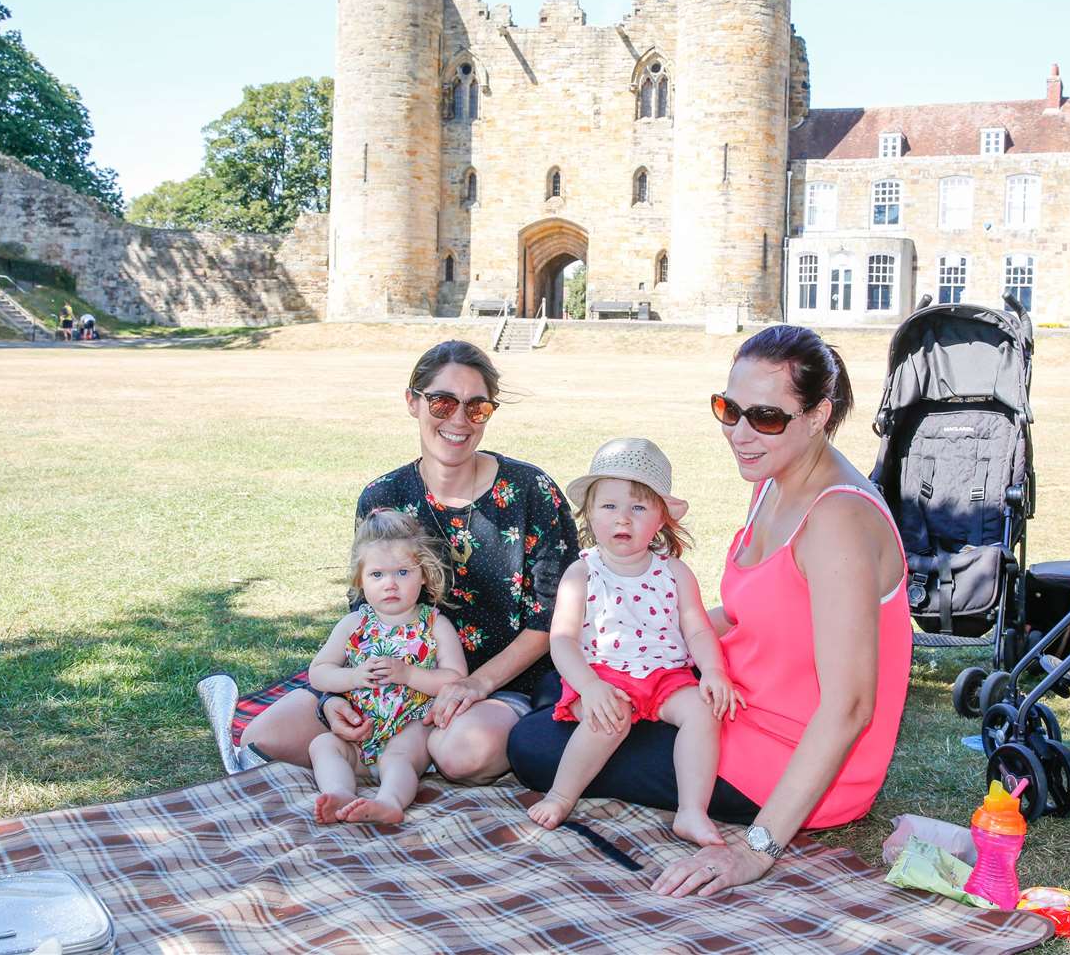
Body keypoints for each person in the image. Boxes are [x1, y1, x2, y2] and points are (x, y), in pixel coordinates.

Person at [508, 324, 911, 897]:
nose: (741, 433)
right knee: (568, 685)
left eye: (766, 417)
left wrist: (756, 850)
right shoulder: (775, 477)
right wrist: (635, 636)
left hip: (782, 761)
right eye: (729, 409)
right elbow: (752, 614)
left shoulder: (838, 523)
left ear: (819, 415)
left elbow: (849, 706)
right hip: (734, 702)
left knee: (533, 744)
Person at [236, 340, 579, 783]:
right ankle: (393, 753)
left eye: (476, 408)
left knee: (462, 755)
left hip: (499, 683)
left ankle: (400, 755)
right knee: (264, 737)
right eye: (442, 402)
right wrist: (333, 699)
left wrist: (474, 684)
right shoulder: (384, 497)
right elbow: (364, 608)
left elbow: (552, 618)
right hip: (386, 682)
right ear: (412, 402)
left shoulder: (531, 490)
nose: (458, 420)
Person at [525, 438, 740, 847]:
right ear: (589, 512)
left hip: (666, 676)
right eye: (609, 506)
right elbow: (564, 640)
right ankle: (561, 794)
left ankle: (692, 811)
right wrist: (589, 686)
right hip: (603, 674)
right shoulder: (582, 573)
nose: (623, 518)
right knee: (610, 717)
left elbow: (696, 628)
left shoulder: (674, 572)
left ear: (661, 518)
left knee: (702, 711)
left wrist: (713, 671)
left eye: (639, 507)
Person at [307, 509, 467, 824]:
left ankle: (390, 802)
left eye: (403, 573)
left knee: (399, 757)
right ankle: (340, 792)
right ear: (360, 580)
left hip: (412, 726)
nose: (390, 584)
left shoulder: (434, 624)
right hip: (360, 730)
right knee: (323, 744)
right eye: (377, 575)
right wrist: (352, 676)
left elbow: (456, 678)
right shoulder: (354, 623)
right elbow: (319, 671)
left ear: (424, 574)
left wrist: (409, 674)